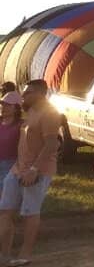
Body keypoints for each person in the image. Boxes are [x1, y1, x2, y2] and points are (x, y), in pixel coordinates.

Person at [0, 80, 61, 266]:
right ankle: (4, 254)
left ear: (39, 94)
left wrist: (34, 169)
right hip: (18, 169)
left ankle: (25, 255)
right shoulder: (31, 112)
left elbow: (52, 144)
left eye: (27, 93)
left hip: (38, 171)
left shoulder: (50, 114)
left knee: (30, 212)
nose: (23, 96)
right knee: (4, 210)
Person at [0, 93, 21, 260]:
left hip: (11, 169)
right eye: (3, 104)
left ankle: (5, 254)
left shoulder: (21, 126)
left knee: (6, 214)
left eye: (7, 104)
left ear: (16, 108)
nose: (4, 107)